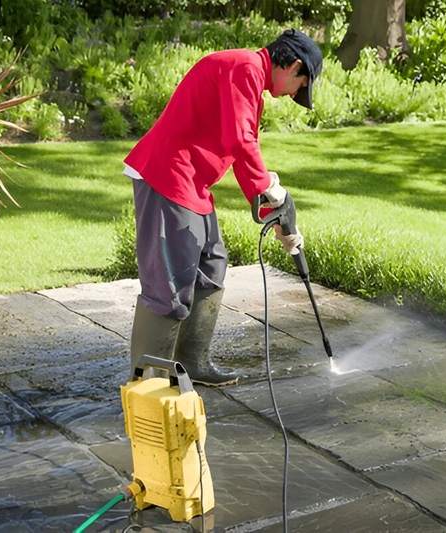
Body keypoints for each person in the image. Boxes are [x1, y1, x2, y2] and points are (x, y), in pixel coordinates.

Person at [123, 28, 323, 386]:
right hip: (167, 175)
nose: (294, 94)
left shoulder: (250, 78)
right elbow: (241, 141)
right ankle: (148, 385)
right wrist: (269, 189)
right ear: (292, 66)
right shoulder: (244, 68)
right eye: (300, 85)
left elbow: (240, 149)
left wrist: (272, 211)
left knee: (211, 262)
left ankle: (192, 364)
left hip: (191, 182)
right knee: (169, 280)